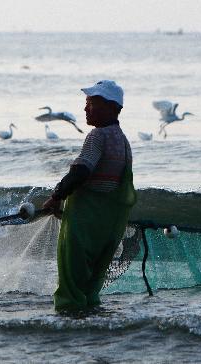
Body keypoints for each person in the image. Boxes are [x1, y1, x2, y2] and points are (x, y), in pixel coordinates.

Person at [42, 80, 137, 311]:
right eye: (86, 103)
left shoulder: (98, 136)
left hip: (85, 221)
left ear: (113, 108)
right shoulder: (123, 141)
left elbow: (82, 171)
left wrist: (56, 196)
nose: (85, 109)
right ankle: (91, 319)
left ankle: (70, 319)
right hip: (109, 225)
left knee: (72, 277)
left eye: (92, 103)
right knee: (92, 280)